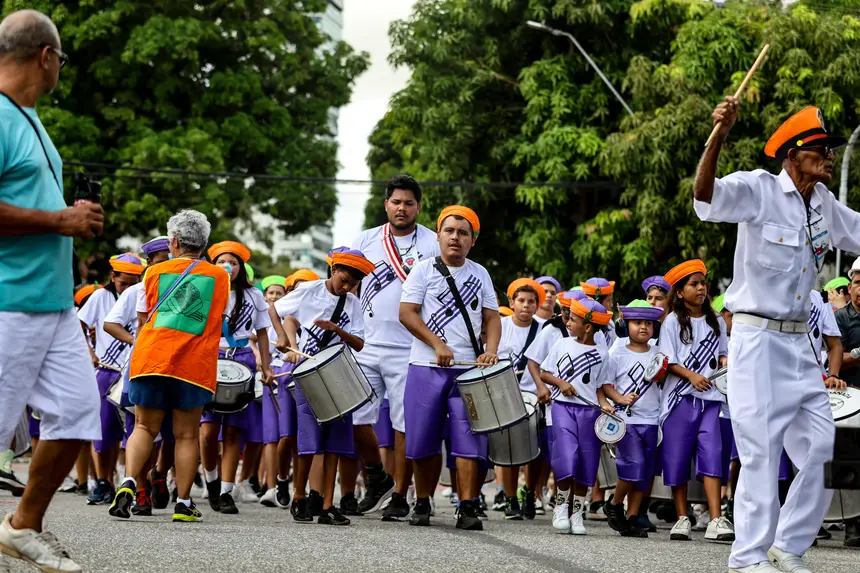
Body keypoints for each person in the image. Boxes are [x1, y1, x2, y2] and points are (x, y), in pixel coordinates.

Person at [694, 99, 860, 572]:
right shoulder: (759, 189)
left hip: (799, 345)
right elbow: (705, 200)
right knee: (761, 450)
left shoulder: (823, 203)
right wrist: (719, 137)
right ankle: (747, 558)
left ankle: (786, 546)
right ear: (793, 154)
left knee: (825, 446)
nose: (829, 157)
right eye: (822, 148)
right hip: (757, 339)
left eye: (831, 149)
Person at [0, 10, 104, 573]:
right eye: (61, 59)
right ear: (45, 56)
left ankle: (22, 527)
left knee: (77, 413)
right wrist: (57, 220)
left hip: (54, 303)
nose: (60, 68)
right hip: (7, 301)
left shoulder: (30, 119)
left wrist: (72, 222)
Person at [107, 210, 230, 523]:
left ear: (173, 242)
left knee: (144, 427)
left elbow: (141, 319)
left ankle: (129, 483)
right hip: (194, 363)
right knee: (187, 434)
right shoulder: (219, 276)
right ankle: (184, 502)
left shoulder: (153, 273)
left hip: (152, 358)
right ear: (204, 244)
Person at [399, 205, 501, 531]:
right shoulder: (423, 270)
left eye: (463, 233)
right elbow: (407, 313)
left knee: (470, 440)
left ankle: (468, 505)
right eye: (449, 231)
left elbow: (492, 318)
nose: (455, 238)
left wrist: (492, 351)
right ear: (439, 235)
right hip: (426, 366)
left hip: (468, 371)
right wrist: (437, 344)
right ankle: (423, 501)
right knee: (423, 441)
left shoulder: (480, 273)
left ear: (473, 240)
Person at [349, 174, 439, 520]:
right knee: (354, 417)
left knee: (404, 427)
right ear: (386, 204)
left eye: (409, 203)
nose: (402, 208)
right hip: (367, 344)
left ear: (418, 207)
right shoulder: (366, 240)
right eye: (396, 202)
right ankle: (377, 476)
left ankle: (401, 494)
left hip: (411, 350)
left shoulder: (432, 243)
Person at [270, 248, 371, 526]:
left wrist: (338, 330)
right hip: (307, 375)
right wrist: (282, 337)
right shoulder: (310, 291)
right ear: (333, 270)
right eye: (344, 279)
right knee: (308, 442)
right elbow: (276, 310)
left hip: (339, 375)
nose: (347, 286)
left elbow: (360, 344)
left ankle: (327, 505)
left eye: (353, 283)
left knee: (336, 443)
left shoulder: (352, 302)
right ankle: (299, 497)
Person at [657, 260, 733, 543]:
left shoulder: (716, 321)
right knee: (678, 457)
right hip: (680, 400)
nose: (701, 288)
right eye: (694, 284)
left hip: (711, 400)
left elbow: (723, 353)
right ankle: (681, 518)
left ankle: (715, 518)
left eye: (703, 283)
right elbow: (667, 360)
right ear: (679, 292)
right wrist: (692, 376)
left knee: (712, 453)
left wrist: (724, 364)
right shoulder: (672, 323)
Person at [199, 241, 272, 515]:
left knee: (233, 431)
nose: (227, 266)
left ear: (240, 267)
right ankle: (212, 480)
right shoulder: (205, 290)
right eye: (221, 262)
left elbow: (263, 332)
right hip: (210, 358)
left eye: (233, 262)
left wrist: (266, 366)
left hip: (242, 359)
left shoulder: (254, 295)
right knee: (207, 432)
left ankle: (227, 491)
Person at [102, 238, 172, 516]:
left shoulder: (191, 287)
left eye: (169, 257)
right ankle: (140, 492)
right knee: (139, 430)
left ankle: (160, 474)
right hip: (144, 366)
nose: (166, 263)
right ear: (150, 264)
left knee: (173, 434)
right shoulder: (138, 290)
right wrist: (137, 341)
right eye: (160, 259)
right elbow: (110, 323)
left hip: (179, 368)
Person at [540, 297, 618, 535]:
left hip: (590, 411)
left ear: (588, 326)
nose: (568, 322)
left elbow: (599, 387)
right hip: (563, 407)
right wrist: (561, 383)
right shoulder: (562, 344)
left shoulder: (602, 354)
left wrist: (606, 405)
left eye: (572, 319)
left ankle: (577, 513)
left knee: (587, 462)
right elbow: (544, 374)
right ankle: (561, 508)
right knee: (567, 456)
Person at [78, 252, 146, 505]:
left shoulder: (144, 295)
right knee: (103, 430)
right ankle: (102, 481)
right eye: (123, 283)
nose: (128, 287)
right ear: (112, 277)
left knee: (130, 431)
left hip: (134, 370)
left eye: (133, 282)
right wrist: (90, 352)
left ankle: (130, 484)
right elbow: (79, 324)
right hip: (107, 370)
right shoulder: (100, 297)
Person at [605, 300, 664, 538]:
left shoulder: (659, 354)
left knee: (645, 472)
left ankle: (632, 516)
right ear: (625, 325)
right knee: (633, 465)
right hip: (625, 421)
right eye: (637, 322)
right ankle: (614, 503)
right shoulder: (616, 353)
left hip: (652, 420)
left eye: (648, 323)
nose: (643, 328)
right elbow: (606, 386)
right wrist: (619, 398)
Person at [494, 278, 545, 519]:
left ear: (537, 305)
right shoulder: (500, 326)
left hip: (534, 397)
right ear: (511, 302)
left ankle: (529, 492)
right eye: (521, 301)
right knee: (510, 450)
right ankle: (511, 498)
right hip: (506, 394)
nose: (526, 305)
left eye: (531, 302)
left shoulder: (544, 330)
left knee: (534, 450)